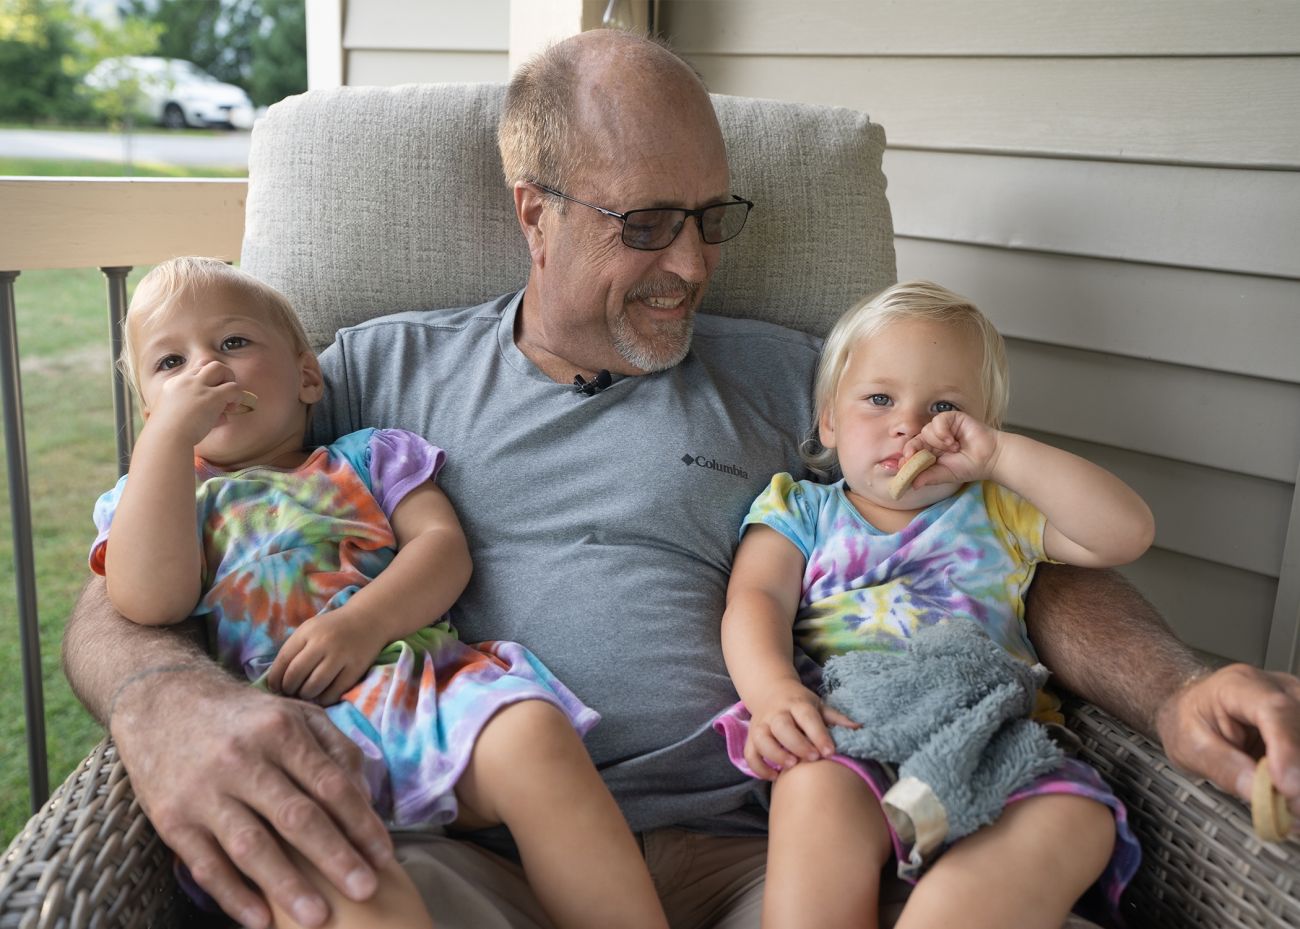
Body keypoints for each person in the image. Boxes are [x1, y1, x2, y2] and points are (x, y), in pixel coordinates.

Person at [61, 29, 1300, 929]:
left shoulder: (801, 382)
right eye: (647, 223)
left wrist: (1173, 687)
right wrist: (165, 702)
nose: (694, 263)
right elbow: (142, 571)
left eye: (715, 215)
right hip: (469, 848)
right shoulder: (374, 372)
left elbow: (1004, 559)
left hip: (782, 849)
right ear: (532, 212)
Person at [88, 256, 669, 929]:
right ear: (150, 412)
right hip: (285, 732)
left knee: (534, 735)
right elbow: (148, 598)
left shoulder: (367, 457)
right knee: (333, 873)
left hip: (419, 689)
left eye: (233, 343)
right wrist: (164, 444)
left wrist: (361, 623)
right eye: (169, 364)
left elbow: (442, 550)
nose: (205, 372)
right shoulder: (158, 504)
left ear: (309, 376)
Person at [716, 281, 1152, 928]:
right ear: (829, 418)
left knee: (1079, 818)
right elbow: (754, 599)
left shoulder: (999, 511)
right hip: (858, 736)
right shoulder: (802, 510)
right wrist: (774, 690)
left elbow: (1126, 532)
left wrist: (1001, 458)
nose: (909, 424)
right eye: (880, 398)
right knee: (811, 788)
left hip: (988, 741)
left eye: (943, 405)